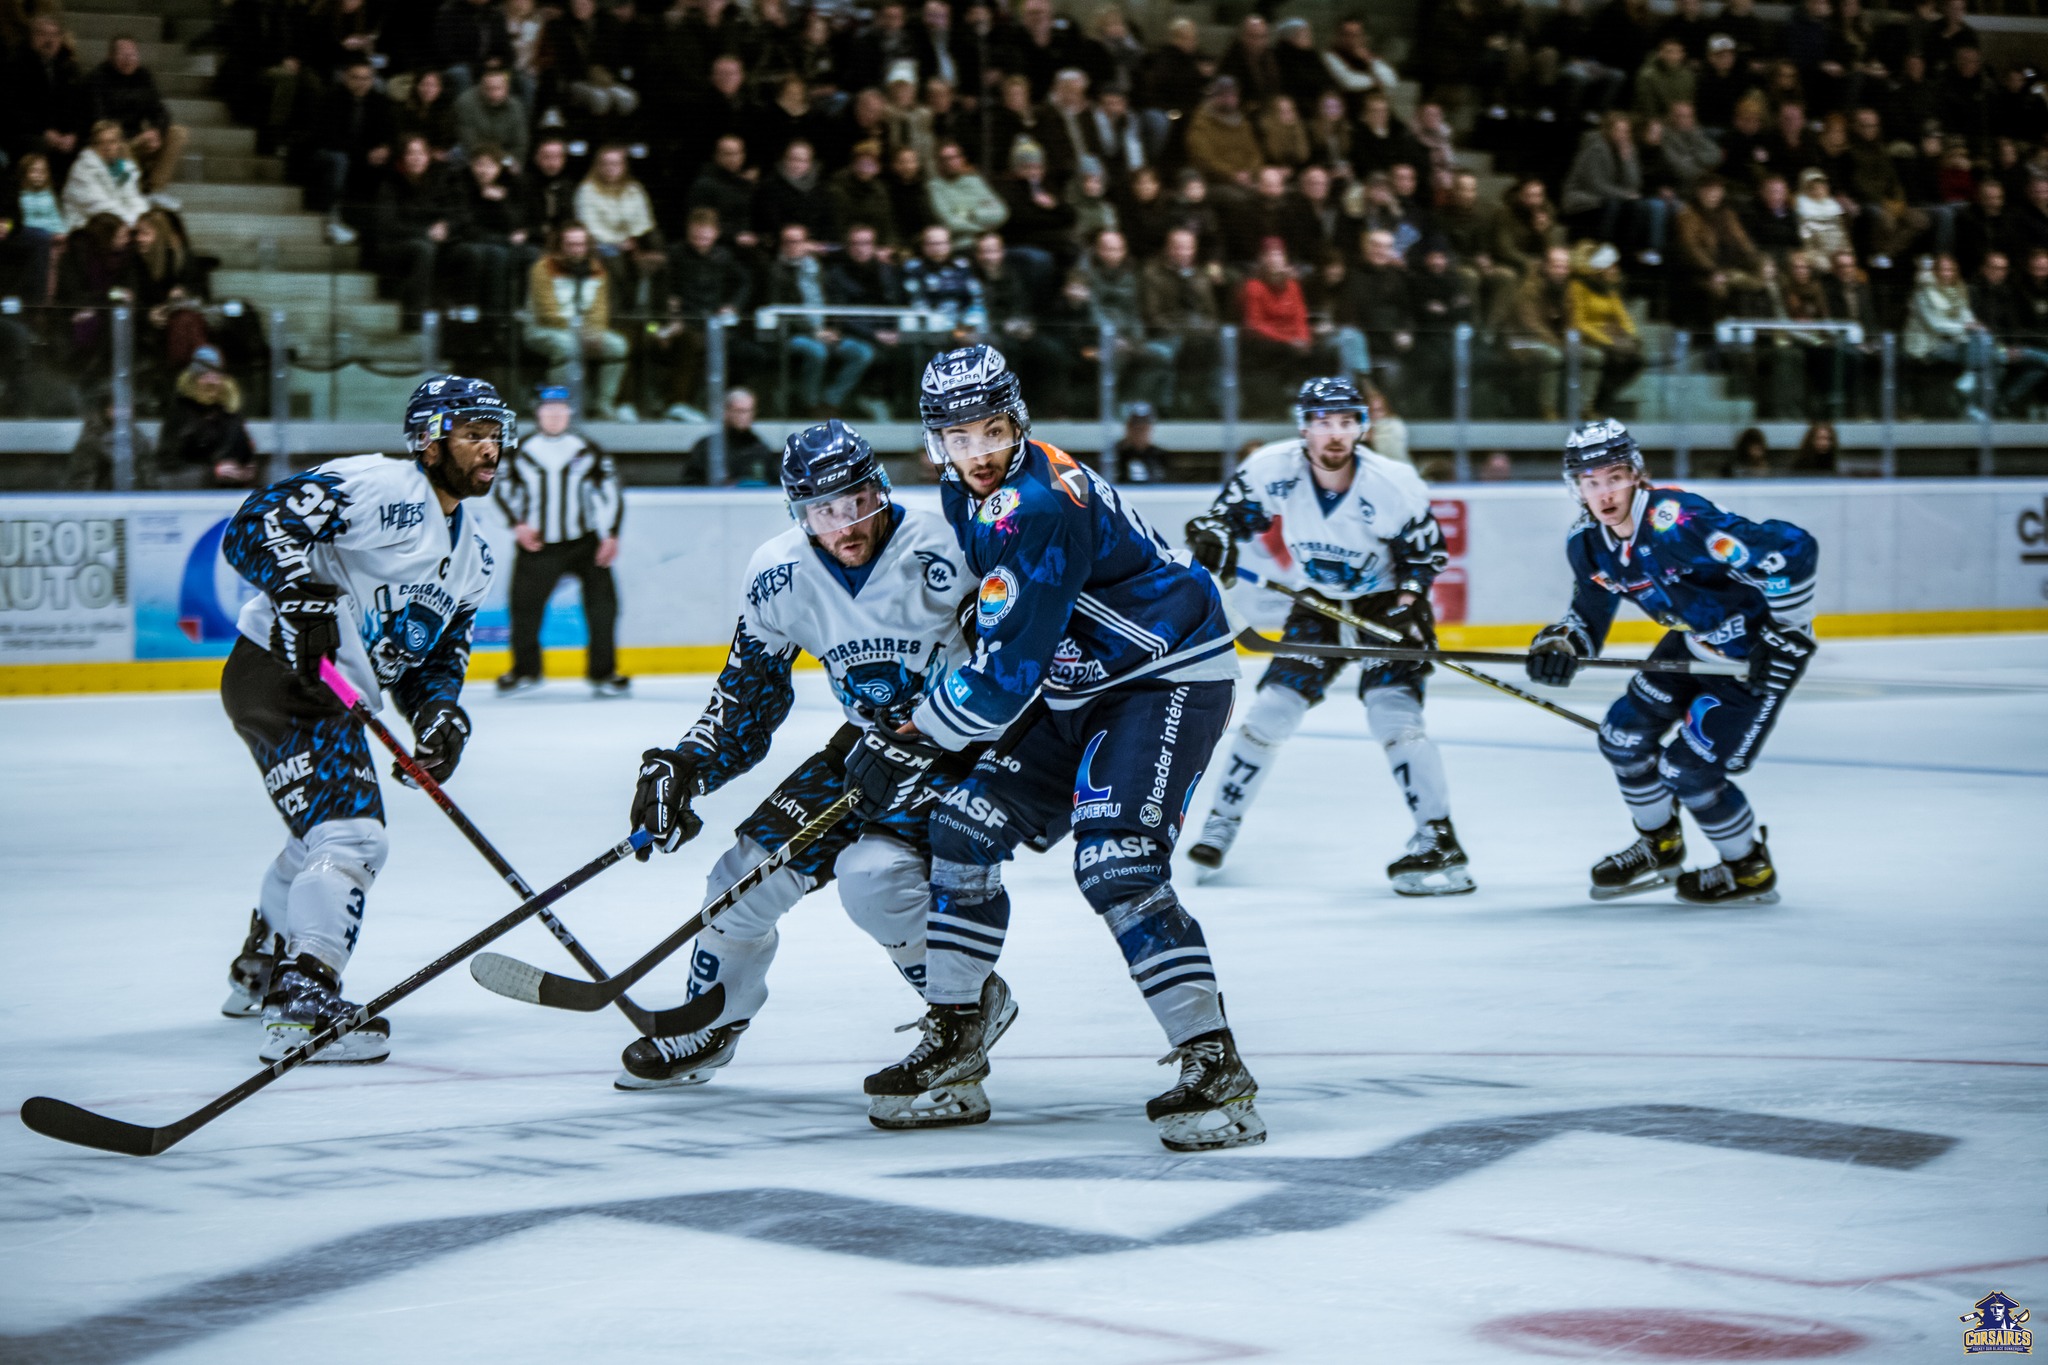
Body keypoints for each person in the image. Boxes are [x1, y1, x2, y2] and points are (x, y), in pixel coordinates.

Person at [843, 344, 1263, 1152]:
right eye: (956, 438)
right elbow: (995, 623)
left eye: (990, 431)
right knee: (962, 827)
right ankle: (958, 1036)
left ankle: (1216, 1065)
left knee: (1118, 863)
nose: (975, 453)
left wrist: (920, 730)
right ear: (936, 441)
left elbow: (1002, 678)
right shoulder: (971, 491)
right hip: (1076, 679)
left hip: (1161, 677)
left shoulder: (1034, 502)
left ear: (1016, 422)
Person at [618, 421, 991, 1092]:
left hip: (961, 749)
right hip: (865, 749)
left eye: (855, 503)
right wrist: (687, 764)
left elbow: (1011, 663)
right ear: (799, 513)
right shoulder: (777, 574)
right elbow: (747, 697)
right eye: (822, 511)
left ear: (879, 489)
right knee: (738, 882)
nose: (843, 525)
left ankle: (966, 1002)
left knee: (874, 879)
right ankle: (711, 1022)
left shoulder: (950, 548)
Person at [217, 376, 508, 1060]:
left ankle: (264, 960)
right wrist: (300, 592)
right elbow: (254, 524)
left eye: (494, 434)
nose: (488, 448)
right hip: (281, 673)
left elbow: (435, 659)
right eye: (470, 434)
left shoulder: (476, 559)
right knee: (353, 838)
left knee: (321, 837)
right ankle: (304, 998)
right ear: (428, 442)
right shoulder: (379, 486)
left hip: (326, 694)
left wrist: (440, 715)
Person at [1183, 376, 1465, 894]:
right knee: (1271, 710)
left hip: (1386, 607)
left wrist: (1405, 609)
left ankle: (1438, 837)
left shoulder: (1392, 483)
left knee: (1392, 714)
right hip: (1316, 602)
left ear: (1362, 427)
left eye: (1345, 423)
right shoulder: (1275, 467)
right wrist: (1214, 538)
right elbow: (1227, 518)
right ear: (1304, 428)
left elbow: (1425, 557)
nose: (1334, 435)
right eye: (1322, 423)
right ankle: (1220, 824)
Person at [1525, 420, 1818, 905]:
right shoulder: (1588, 544)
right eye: (1590, 481)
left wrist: (1787, 632)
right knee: (1621, 737)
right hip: (1692, 642)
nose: (1604, 492)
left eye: (1614, 476)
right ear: (1575, 487)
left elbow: (1792, 550)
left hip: (1751, 656)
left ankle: (1749, 869)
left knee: (1687, 771)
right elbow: (1588, 615)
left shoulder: (1676, 520)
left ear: (1636, 474)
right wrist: (1562, 644)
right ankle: (1660, 846)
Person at [493, 386, 628, 697]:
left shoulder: (586, 449)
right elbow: (502, 490)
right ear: (538, 412)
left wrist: (611, 534)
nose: (554, 415)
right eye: (548, 409)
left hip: (584, 541)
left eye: (560, 409)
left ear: (569, 413)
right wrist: (518, 525)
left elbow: (610, 492)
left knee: (604, 606)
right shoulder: (521, 450)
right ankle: (525, 671)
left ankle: (604, 673)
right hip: (539, 544)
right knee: (524, 607)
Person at [525, 222, 630, 420]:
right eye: (571, 244)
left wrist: (595, 332)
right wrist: (580, 333)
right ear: (561, 245)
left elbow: (600, 311)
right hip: (544, 329)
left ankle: (603, 404)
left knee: (618, 346)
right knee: (567, 346)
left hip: (582, 330)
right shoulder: (543, 268)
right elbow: (547, 313)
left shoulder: (597, 270)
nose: (576, 249)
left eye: (581, 244)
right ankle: (561, 404)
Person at [159, 346, 261, 489]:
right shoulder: (181, 415)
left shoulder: (231, 415)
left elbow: (245, 454)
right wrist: (212, 473)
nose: (212, 381)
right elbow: (167, 468)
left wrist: (250, 469)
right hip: (196, 500)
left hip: (233, 496)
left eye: (216, 375)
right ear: (193, 380)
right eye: (205, 375)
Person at [686, 388, 776, 485]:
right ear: (726, 412)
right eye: (740, 411)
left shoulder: (760, 449)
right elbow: (690, 484)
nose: (745, 416)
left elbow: (774, 483)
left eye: (749, 411)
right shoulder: (707, 447)